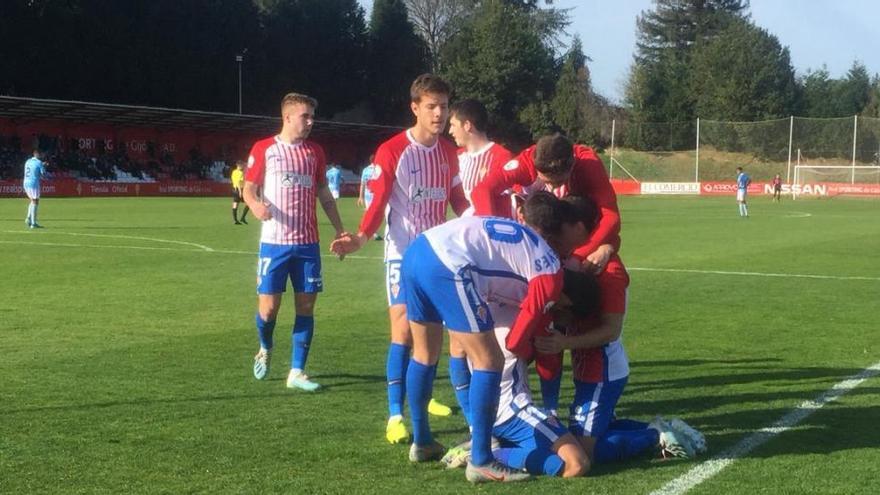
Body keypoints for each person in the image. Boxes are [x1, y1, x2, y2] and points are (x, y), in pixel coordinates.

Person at [330, 74, 468, 444]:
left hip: (436, 256)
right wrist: (360, 237)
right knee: (404, 331)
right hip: (402, 256)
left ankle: (425, 396)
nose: (439, 114)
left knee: (433, 336)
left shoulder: (448, 153)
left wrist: (480, 223)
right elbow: (378, 202)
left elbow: (458, 200)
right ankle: (395, 414)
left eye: (444, 106)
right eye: (431, 106)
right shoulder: (392, 150)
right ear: (415, 108)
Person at [243, 92, 350, 392]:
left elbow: (324, 194)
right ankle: (265, 345)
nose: (310, 122)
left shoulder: (314, 152)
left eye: (312, 116)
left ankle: (297, 371)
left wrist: (340, 229)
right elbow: (249, 189)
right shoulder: (265, 149)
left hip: (307, 245)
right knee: (268, 310)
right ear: (287, 117)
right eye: (305, 116)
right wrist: (254, 206)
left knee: (306, 306)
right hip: (274, 244)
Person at [447, 99, 514, 215]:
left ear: (467, 125)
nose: (450, 131)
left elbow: (509, 201)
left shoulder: (502, 157)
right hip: (468, 227)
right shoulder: (457, 157)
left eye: (453, 125)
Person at [357, 157, 382, 240]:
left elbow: (362, 183)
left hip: (367, 195)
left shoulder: (365, 170)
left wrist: (361, 196)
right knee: (377, 214)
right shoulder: (378, 169)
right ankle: (373, 232)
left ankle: (365, 230)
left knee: (370, 213)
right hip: (376, 195)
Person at [23, 149, 46, 229]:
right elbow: (43, 174)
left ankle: (28, 219)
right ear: (37, 154)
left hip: (25, 182)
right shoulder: (39, 162)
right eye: (40, 154)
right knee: (36, 201)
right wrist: (44, 166)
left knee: (32, 200)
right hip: (33, 183)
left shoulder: (28, 161)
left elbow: (32, 169)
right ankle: (33, 223)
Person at [231, 160, 250, 225]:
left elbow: (234, 181)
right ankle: (242, 217)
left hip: (234, 189)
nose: (243, 166)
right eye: (242, 165)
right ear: (239, 165)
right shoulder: (240, 173)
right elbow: (239, 182)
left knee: (235, 204)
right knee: (248, 203)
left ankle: (235, 220)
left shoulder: (234, 172)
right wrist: (240, 191)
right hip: (240, 189)